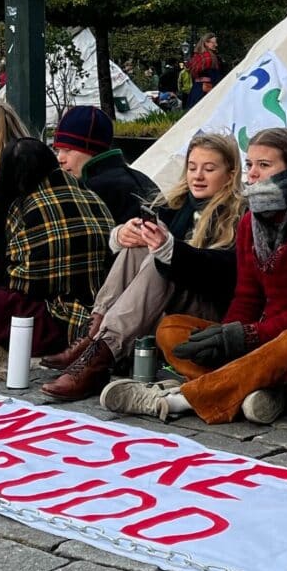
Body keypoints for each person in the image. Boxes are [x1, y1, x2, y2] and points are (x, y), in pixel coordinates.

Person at [98, 128, 287, 426]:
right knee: (171, 328)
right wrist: (227, 336)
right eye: (250, 164)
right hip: (268, 340)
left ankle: (177, 400)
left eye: (264, 165)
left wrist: (246, 336)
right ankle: (257, 393)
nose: (252, 174)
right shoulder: (250, 223)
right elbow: (247, 297)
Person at [40, 132, 246, 400]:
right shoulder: (176, 205)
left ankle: (100, 354)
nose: (198, 176)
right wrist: (123, 235)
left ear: (230, 175)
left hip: (210, 310)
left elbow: (225, 274)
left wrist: (170, 251)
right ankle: (93, 338)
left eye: (209, 169)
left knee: (164, 260)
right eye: (192, 168)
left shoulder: (238, 214)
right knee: (141, 244)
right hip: (164, 304)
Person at [0, 137, 116, 359]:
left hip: (56, 322)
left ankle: (7, 344)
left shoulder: (27, 206)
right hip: (97, 313)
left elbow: (32, 284)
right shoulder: (91, 196)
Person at [50, 106, 159, 225]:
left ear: (92, 150)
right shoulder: (140, 179)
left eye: (68, 150)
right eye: (57, 150)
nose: (60, 158)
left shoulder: (92, 191)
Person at [185, 33, 223, 109]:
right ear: (206, 43)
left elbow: (193, 74)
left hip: (196, 89)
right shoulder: (209, 57)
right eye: (214, 42)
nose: (216, 45)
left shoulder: (197, 57)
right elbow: (214, 75)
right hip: (206, 89)